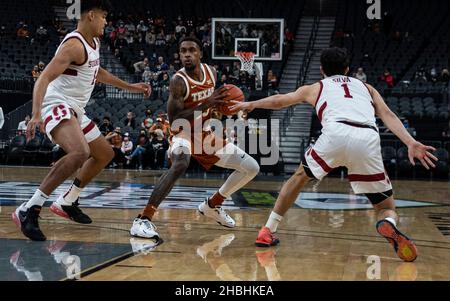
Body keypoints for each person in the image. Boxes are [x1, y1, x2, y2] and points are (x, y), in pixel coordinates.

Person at [230, 47, 438, 262]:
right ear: (347, 69)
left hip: (335, 133)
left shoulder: (315, 87)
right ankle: (389, 224)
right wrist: (411, 142)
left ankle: (267, 231)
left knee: (299, 178)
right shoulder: (367, 88)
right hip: (367, 137)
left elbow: (280, 100)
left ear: (321, 70)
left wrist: (251, 103)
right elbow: (388, 115)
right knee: (385, 206)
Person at [12, 0, 151, 242]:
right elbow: (43, 78)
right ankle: (28, 209)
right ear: (91, 15)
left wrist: (131, 87)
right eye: (104, 17)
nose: (106, 22)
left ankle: (68, 201)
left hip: (75, 107)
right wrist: (36, 114)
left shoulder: (94, 43)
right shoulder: (74, 45)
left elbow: (98, 73)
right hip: (56, 102)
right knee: (79, 153)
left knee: (105, 154)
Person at [130, 37, 260, 240]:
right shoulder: (178, 81)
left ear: (200, 53)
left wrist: (219, 109)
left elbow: (213, 109)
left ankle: (213, 204)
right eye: (183, 51)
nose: (187, 54)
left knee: (252, 167)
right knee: (181, 162)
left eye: (191, 50)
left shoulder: (212, 73)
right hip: (182, 132)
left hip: (206, 133)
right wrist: (206, 104)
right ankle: (143, 219)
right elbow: (174, 120)